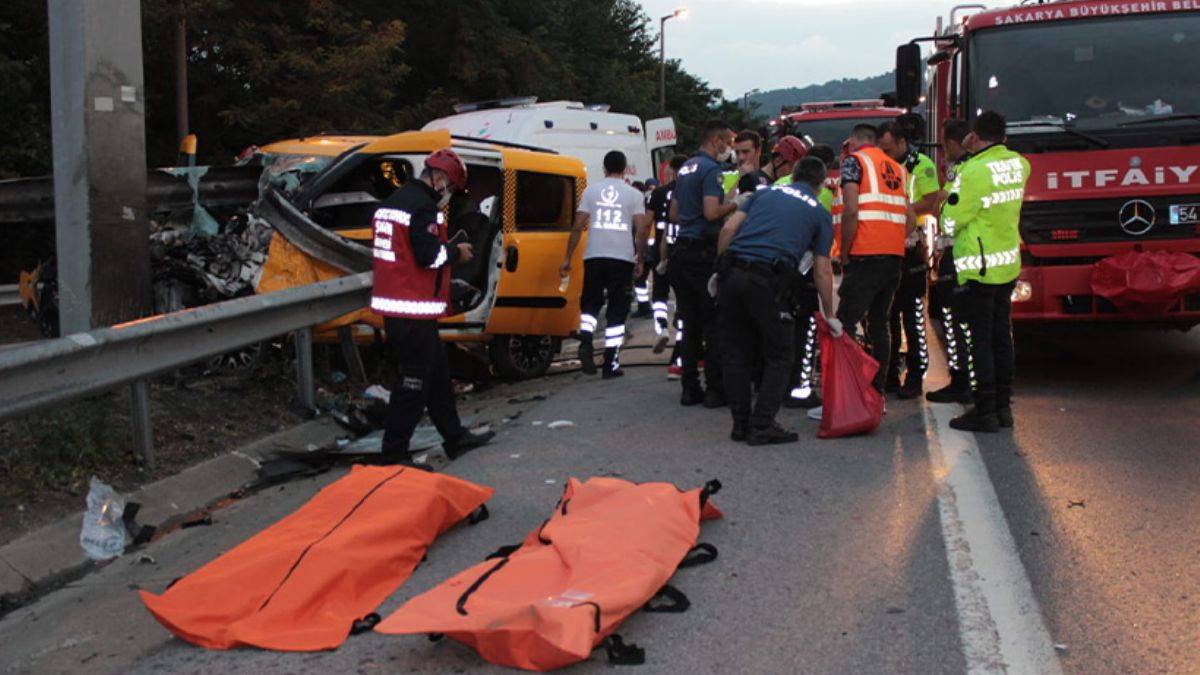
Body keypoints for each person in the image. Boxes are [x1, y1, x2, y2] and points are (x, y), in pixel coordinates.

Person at [371, 149, 495, 463]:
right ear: (439, 179)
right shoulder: (422, 208)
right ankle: (394, 454)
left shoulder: (394, 202)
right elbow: (428, 256)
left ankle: (455, 437)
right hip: (410, 309)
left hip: (400, 306)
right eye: (450, 189)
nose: (449, 196)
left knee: (438, 374)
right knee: (413, 384)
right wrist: (456, 253)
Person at [716, 157, 841, 444]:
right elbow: (822, 268)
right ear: (820, 183)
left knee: (736, 354)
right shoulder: (819, 213)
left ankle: (741, 425)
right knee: (781, 354)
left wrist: (719, 271)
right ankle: (761, 425)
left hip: (734, 275)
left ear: (793, 175)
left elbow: (727, 229)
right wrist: (830, 313)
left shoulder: (764, 193)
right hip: (768, 282)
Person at [944, 111, 1029, 432]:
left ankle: (985, 410)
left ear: (974, 137)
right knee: (1001, 338)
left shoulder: (973, 171)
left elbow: (951, 219)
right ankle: (1003, 407)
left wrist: (964, 161)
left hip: (978, 268)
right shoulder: (1020, 164)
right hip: (1007, 264)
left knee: (978, 341)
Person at [834, 123, 915, 395]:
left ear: (855, 140)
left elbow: (851, 210)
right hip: (893, 258)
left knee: (844, 323)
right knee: (880, 322)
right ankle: (877, 389)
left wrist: (844, 251)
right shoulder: (897, 168)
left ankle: (847, 389)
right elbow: (911, 218)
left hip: (864, 255)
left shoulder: (854, 162)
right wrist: (891, 238)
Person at [561, 150, 650, 379]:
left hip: (594, 256)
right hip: (621, 258)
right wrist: (639, 257)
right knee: (617, 311)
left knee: (590, 304)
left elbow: (578, 225)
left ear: (604, 168)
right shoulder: (633, 194)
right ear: (624, 168)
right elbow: (641, 228)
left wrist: (568, 258)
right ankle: (610, 361)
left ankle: (587, 340)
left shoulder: (591, 191)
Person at [668, 119, 738, 407]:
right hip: (701, 254)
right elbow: (711, 213)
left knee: (689, 323)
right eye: (729, 143)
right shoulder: (711, 170)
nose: (729, 149)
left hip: (680, 253)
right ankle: (714, 389)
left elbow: (674, 214)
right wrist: (735, 204)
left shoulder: (685, 168)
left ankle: (689, 387)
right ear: (717, 141)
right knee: (712, 323)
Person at [879, 120, 940, 399]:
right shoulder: (880, 164)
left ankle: (915, 376)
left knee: (913, 316)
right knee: (885, 315)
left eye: (890, 148)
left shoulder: (921, 164)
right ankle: (889, 374)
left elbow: (931, 201)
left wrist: (900, 210)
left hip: (911, 247)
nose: (887, 154)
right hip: (885, 248)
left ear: (903, 142)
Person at [927, 118, 977, 404]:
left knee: (955, 321)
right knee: (964, 322)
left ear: (954, 143)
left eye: (945, 144)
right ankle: (968, 379)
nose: (944, 150)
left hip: (959, 254)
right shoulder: (971, 167)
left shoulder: (962, 169)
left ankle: (962, 381)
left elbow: (941, 210)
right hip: (969, 254)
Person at [784, 142, 838, 410]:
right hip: (801, 271)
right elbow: (822, 264)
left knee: (775, 330)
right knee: (804, 331)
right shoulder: (823, 198)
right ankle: (800, 389)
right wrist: (829, 314)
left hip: (768, 269)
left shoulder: (778, 186)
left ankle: (772, 383)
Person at [647, 155, 688, 364]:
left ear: (671, 170)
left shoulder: (659, 192)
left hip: (662, 247)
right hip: (683, 249)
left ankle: (661, 327)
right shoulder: (689, 192)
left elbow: (647, 223)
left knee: (659, 293)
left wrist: (641, 251)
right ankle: (680, 350)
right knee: (683, 299)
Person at [723, 130, 772, 196]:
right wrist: (740, 179)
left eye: (745, 152)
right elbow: (724, 205)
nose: (740, 157)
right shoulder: (726, 177)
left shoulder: (769, 176)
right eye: (737, 152)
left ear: (758, 151)